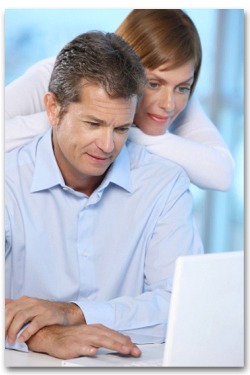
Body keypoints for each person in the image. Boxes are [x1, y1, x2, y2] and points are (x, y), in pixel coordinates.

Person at [5, 31, 203, 359]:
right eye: (93, 123)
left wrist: (74, 313)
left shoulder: (164, 186)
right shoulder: (8, 181)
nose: (108, 145)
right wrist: (46, 337)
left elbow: (181, 304)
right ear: (53, 109)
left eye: (121, 128)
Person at [5, 9, 234, 191]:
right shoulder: (52, 75)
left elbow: (221, 175)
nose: (168, 104)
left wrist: (130, 133)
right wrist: (63, 118)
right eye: (153, 84)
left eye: (183, 87)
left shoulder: (173, 97)